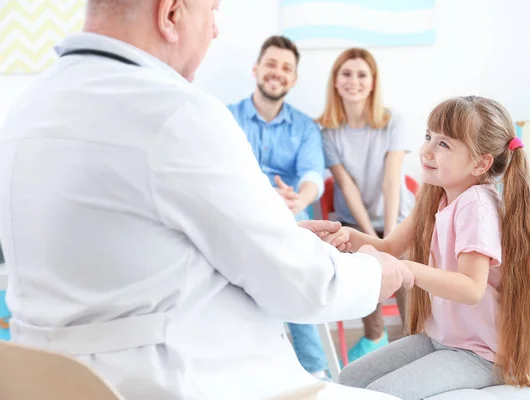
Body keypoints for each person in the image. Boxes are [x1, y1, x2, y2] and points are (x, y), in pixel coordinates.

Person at [0, 1, 414, 399]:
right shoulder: (177, 112)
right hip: (188, 382)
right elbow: (302, 287)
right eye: (212, 10)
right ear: (171, 12)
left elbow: (132, 261)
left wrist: (278, 237)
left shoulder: (27, 109)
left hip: (55, 382)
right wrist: (376, 273)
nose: (215, 28)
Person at [337, 96, 530, 399]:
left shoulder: (476, 206)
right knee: (350, 377)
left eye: (443, 144)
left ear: (480, 162)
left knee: (380, 394)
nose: (426, 150)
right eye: (428, 137)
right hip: (440, 338)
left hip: (480, 355)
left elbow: (472, 287)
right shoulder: (435, 195)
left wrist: (409, 270)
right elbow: (389, 246)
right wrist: (343, 235)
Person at [227, 36, 329, 379]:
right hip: (240, 214)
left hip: (288, 215)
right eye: (271, 64)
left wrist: (301, 197)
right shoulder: (225, 118)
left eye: (286, 68)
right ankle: (306, 368)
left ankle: (314, 371)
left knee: (292, 241)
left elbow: (312, 174)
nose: (277, 72)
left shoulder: (305, 127)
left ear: (294, 79)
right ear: (257, 68)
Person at [316, 48, 415, 362]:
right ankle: (375, 336)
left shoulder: (393, 121)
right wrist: (373, 239)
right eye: (346, 73)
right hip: (355, 219)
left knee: (404, 263)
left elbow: (391, 180)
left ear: (373, 83)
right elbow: (346, 186)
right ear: (335, 81)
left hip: (396, 215)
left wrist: (389, 238)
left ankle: (415, 339)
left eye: (362, 74)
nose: (353, 81)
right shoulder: (328, 132)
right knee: (366, 262)